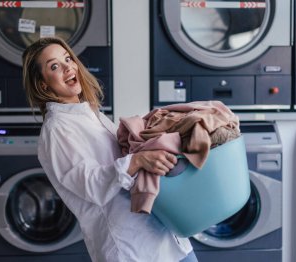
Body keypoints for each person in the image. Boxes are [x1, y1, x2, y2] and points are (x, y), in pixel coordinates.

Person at [22, 37, 197, 262]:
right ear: (43, 84)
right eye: (54, 66)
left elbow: (123, 157)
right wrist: (138, 161)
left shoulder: (91, 114)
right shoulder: (57, 129)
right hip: (132, 250)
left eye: (68, 59)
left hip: (164, 237)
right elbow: (89, 184)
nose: (67, 67)